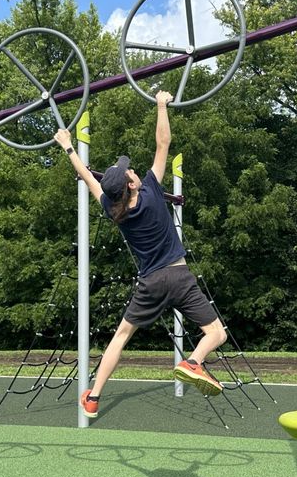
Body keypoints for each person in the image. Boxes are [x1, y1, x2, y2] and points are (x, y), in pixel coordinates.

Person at [54, 90, 228, 419]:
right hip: (178, 276)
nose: (131, 171)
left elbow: (88, 177)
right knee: (216, 333)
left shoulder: (111, 207)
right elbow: (163, 143)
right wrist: (161, 104)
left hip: (150, 283)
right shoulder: (149, 191)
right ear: (132, 185)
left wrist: (67, 145)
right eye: (129, 172)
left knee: (120, 336)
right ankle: (194, 362)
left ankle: (93, 397)